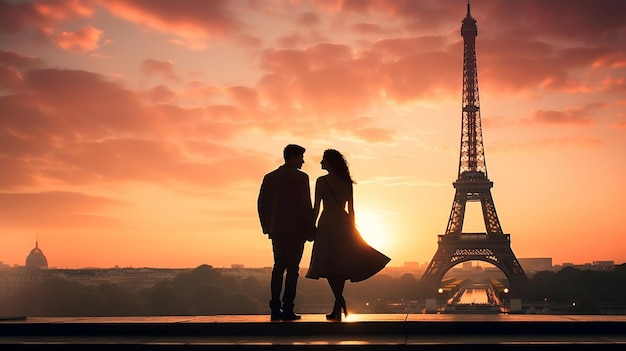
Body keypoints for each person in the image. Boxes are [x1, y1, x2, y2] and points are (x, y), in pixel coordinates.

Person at [306, 149, 390, 320]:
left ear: (329, 162)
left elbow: (316, 208)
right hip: (344, 224)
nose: (321, 162)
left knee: (329, 265)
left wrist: (311, 226)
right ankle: (338, 302)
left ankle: (339, 301)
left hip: (328, 223)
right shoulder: (346, 182)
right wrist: (351, 228)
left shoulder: (321, 181)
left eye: (323, 160)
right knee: (341, 265)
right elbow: (351, 209)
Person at [257, 144, 315, 321]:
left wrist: (268, 226)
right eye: (301, 157)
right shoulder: (301, 178)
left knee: (278, 267)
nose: (303, 161)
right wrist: (311, 229)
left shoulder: (270, 177)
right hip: (296, 230)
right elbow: (305, 205)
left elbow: (261, 204)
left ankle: (275, 308)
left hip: (277, 230)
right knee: (292, 270)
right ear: (293, 157)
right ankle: (288, 308)